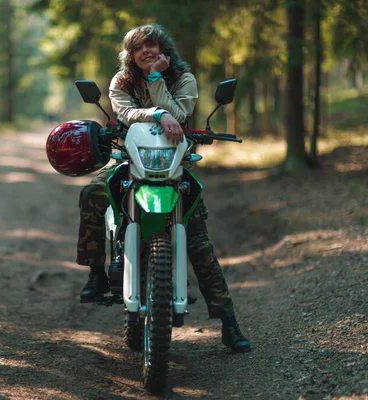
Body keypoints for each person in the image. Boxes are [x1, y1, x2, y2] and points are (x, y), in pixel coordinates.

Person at [76, 23, 251, 353]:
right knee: (92, 194)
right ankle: (96, 272)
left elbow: (181, 114)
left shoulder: (183, 77)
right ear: (130, 54)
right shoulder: (121, 81)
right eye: (139, 48)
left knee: (197, 239)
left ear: (164, 48)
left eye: (152, 45)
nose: (146, 52)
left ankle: (229, 322)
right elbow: (125, 114)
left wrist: (157, 80)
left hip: (173, 166)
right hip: (131, 160)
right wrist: (157, 113)